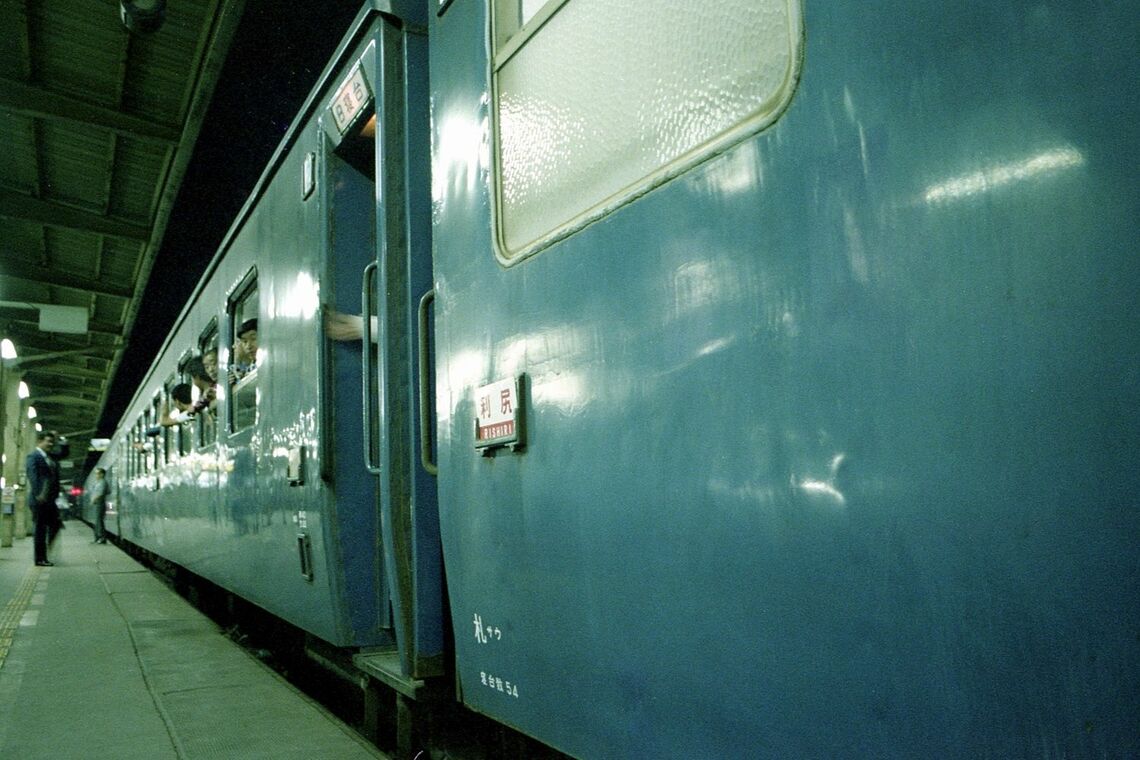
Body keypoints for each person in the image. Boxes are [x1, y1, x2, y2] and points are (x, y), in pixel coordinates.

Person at [26, 430, 63, 566]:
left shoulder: (50, 457)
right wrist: (39, 494)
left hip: (49, 500)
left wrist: (60, 439)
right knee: (40, 529)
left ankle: (44, 552)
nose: (50, 444)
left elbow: (64, 453)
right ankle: (40, 559)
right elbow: (33, 476)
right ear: (39, 441)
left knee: (56, 524)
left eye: (52, 442)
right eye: (48, 441)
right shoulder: (33, 457)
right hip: (39, 499)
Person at [90, 467, 108, 544]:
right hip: (97, 504)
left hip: (99, 503)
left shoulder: (103, 483)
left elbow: (100, 493)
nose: (96, 475)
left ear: (102, 474)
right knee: (97, 521)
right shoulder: (98, 482)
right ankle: (97, 538)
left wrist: (93, 500)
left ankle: (102, 538)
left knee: (99, 521)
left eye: (97, 474)